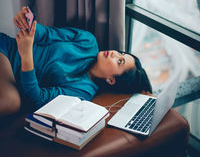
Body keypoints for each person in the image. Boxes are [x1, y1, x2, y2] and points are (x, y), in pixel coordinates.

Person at [0, 6, 152, 117]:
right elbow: (47, 34)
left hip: (13, 79)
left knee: (12, 103)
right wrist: (28, 21)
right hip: (6, 51)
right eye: (120, 54)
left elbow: (37, 99)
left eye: (119, 61)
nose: (114, 53)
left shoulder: (83, 92)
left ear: (111, 80)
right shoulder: (88, 40)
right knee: (11, 102)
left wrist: (27, 56)